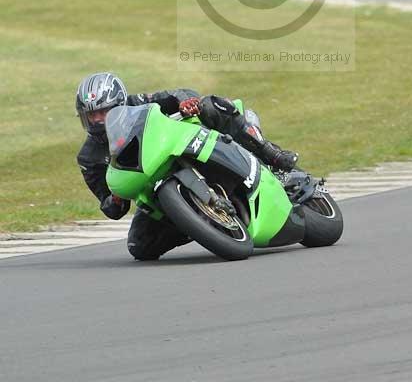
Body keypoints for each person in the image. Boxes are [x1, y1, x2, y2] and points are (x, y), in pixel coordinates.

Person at [76, 72, 298, 261]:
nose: (98, 120)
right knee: (139, 246)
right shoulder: (89, 158)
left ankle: (270, 152)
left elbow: (179, 93)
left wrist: (185, 102)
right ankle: (196, 222)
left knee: (209, 105)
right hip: (152, 189)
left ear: (120, 104)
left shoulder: (138, 104)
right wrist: (115, 198)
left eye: (104, 112)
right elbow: (110, 208)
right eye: (91, 115)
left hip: (181, 147)